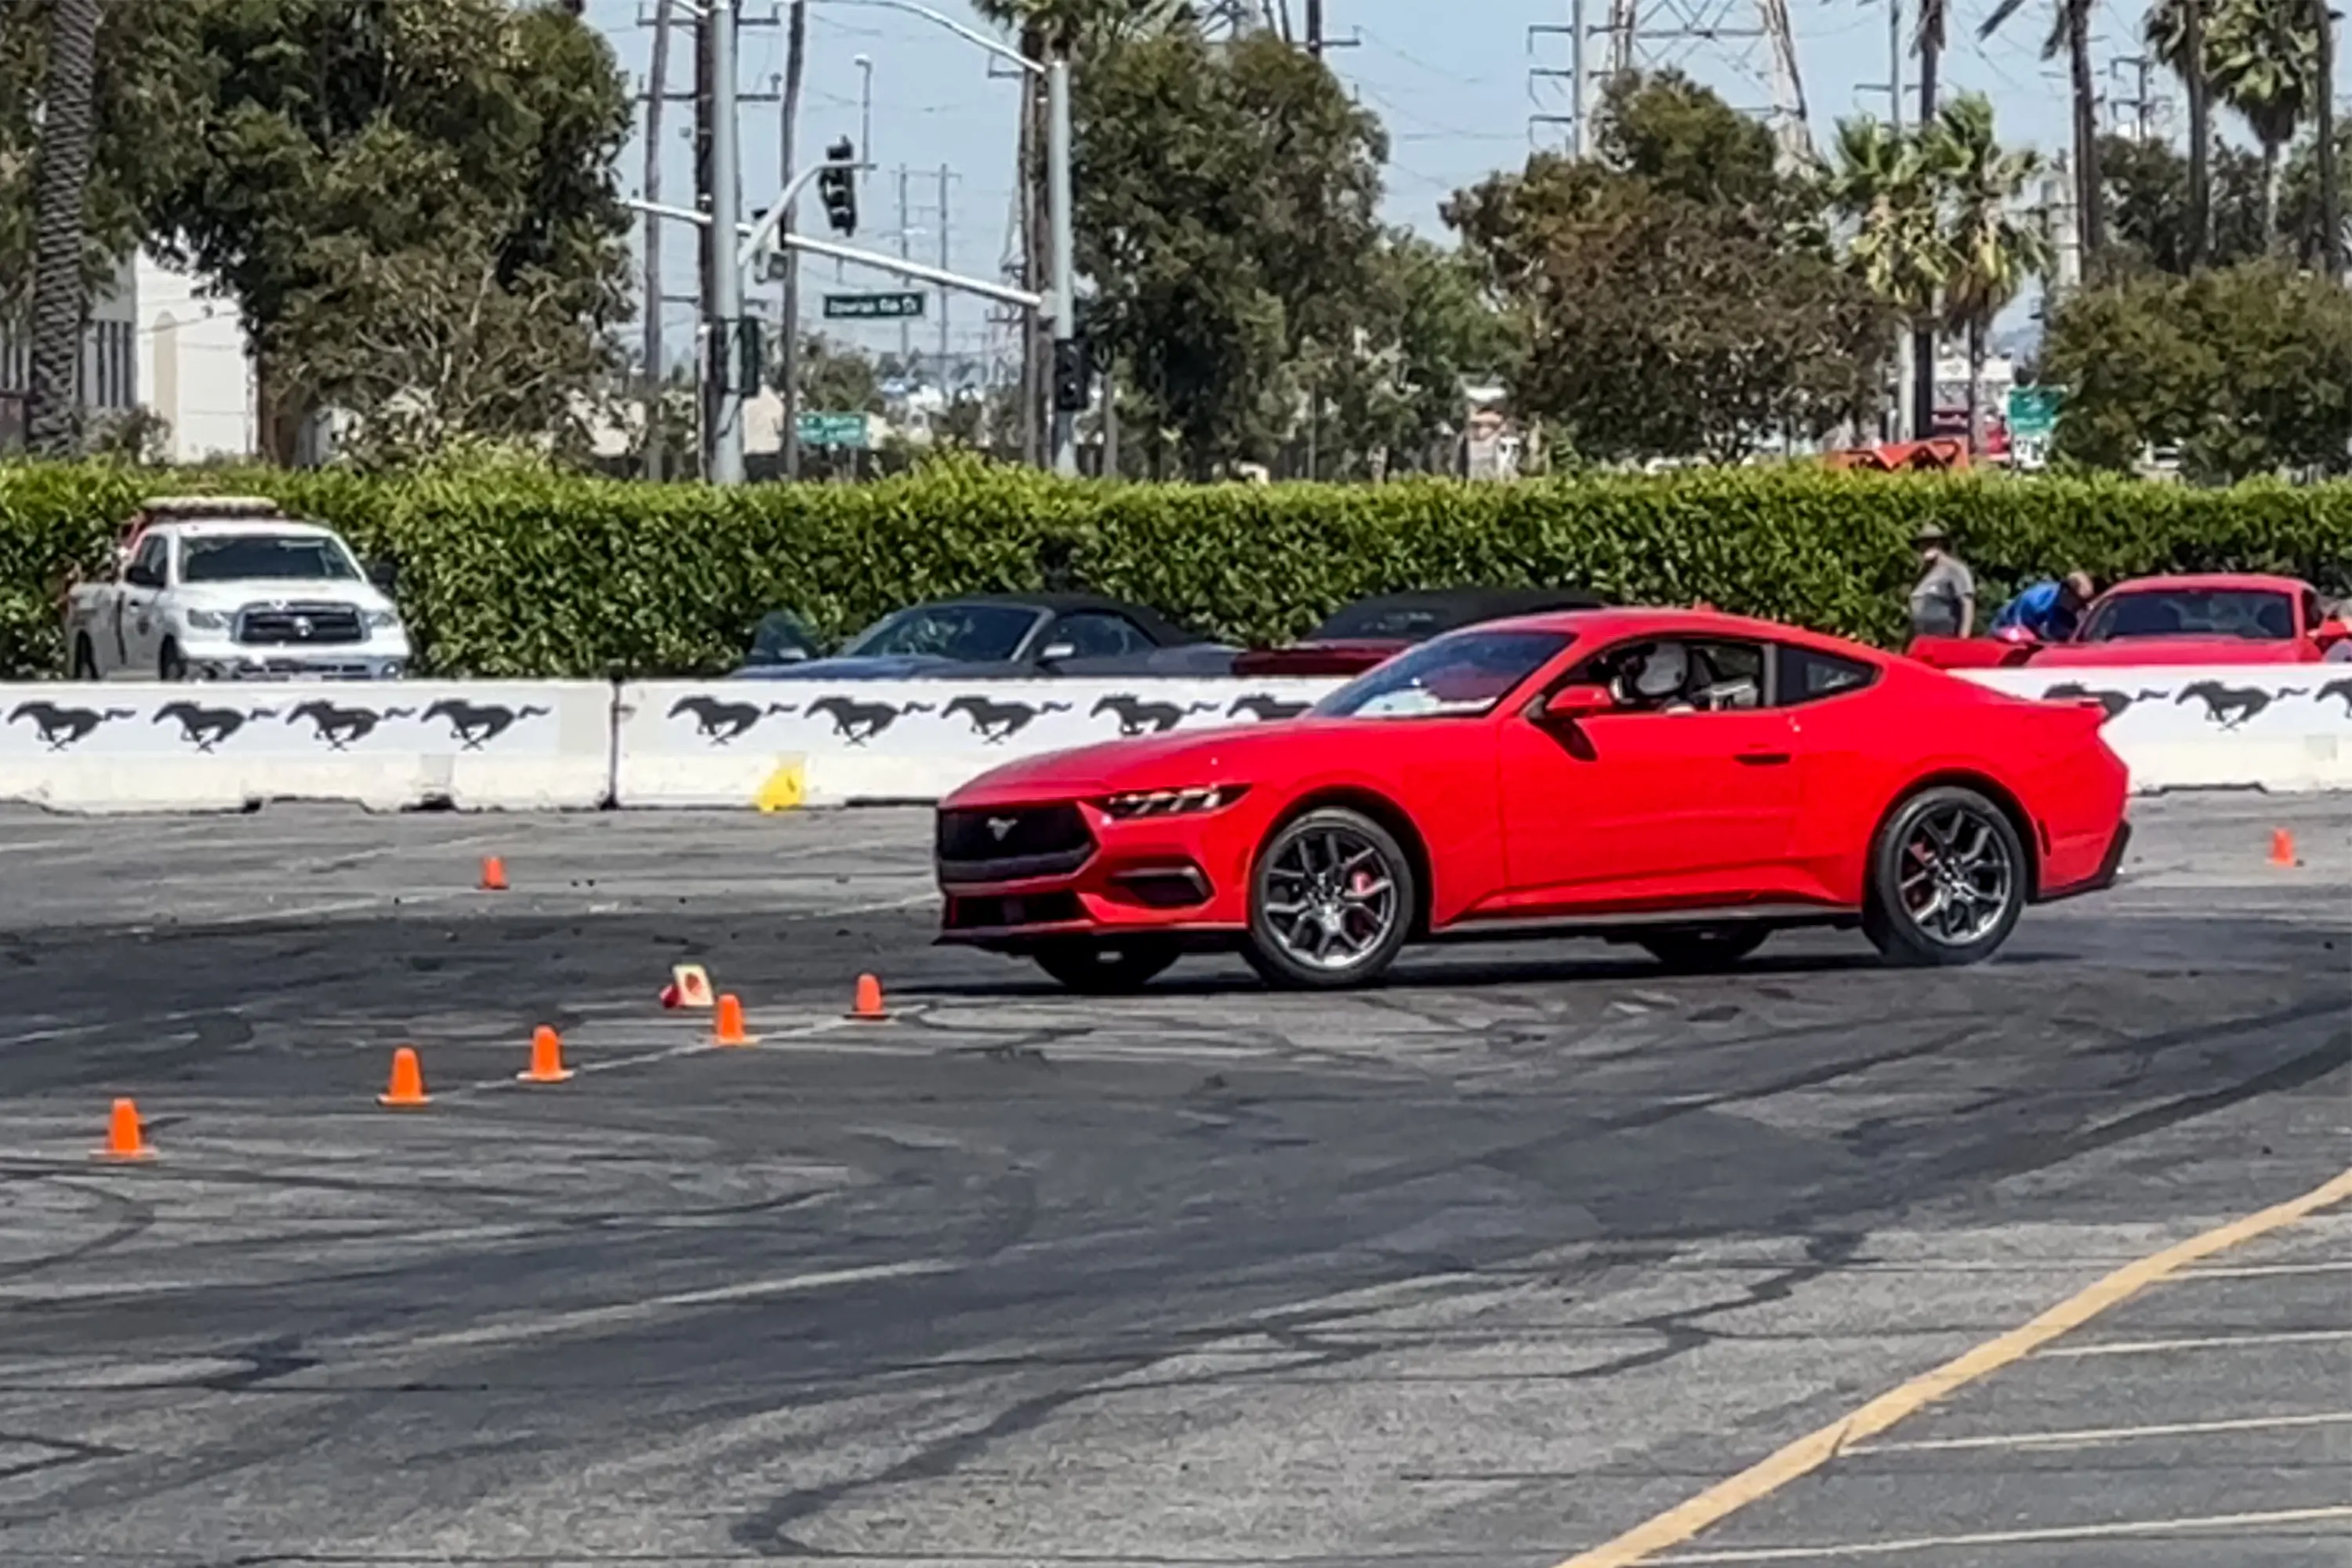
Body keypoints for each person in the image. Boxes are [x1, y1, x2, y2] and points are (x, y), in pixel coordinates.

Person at [1907, 524, 1976, 640]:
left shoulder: (1955, 569)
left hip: (1944, 633)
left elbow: (1967, 604)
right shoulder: (1922, 573)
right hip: (1921, 634)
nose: (1927, 547)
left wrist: (1963, 639)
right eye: (1923, 543)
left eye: (1932, 543)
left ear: (1941, 544)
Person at [1991, 570, 2095, 642]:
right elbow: (2017, 631)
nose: (2079, 607)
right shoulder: (2034, 600)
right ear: (2066, 591)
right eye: (2079, 601)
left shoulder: (2067, 608)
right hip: (2007, 630)